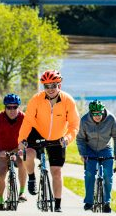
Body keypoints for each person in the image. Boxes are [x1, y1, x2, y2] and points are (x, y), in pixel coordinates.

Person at [18, 69, 80, 213]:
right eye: (47, 86)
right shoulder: (36, 100)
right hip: (37, 132)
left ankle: (57, 205)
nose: (50, 89)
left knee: (56, 171)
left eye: (54, 85)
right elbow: (27, 122)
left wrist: (67, 138)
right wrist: (22, 140)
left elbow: (74, 125)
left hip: (59, 137)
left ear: (60, 84)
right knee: (29, 153)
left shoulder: (68, 101)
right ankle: (32, 177)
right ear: (43, 87)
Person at [77, 100, 116, 213]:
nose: (98, 116)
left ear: (103, 112)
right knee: (89, 173)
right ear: (91, 113)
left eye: (100, 113)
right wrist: (83, 153)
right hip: (90, 150)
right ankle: (89, 201)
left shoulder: (111, 119)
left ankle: (107, 202)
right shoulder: (84, 120)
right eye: (95, 114)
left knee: (108, 174)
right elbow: (80, 139)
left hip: (106, 148)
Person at [0, 93, 28, 211]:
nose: (12, 110)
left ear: (19, 107)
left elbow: (29, 134)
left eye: (15, 107)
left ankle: (21, 192)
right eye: (9, 107)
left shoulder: (24, 118)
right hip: (3, 150)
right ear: (5, 107)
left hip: (17, 149)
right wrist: (0, 150)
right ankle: (0, 200)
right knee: (1, 175)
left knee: (22, 163)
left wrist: (24, 146)